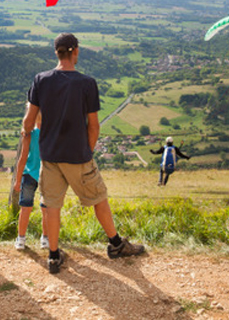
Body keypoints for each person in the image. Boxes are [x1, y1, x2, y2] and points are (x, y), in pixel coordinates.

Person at [22, 33, 145, 274]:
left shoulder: (40, 80)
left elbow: (28, 123)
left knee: (52, 206)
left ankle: (54, 256)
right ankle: (116, 244)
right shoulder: (87, 83)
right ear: (76, 51)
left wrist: (39, 137)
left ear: (56, 52)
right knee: (99, 198)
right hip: (78, 155)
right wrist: (87, 151)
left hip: (50, 156)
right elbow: (94, 125)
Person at [13, 104, 48, 250]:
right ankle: (45, 239)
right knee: (46, 208)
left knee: (25, 207)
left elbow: (22, 158)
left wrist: (17, 179)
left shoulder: (28, 133)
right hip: (46, 174)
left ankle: (21, 239)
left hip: (29, 174)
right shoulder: (49, 132)